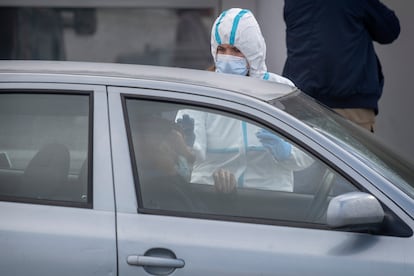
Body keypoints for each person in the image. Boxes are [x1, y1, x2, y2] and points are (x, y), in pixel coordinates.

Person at [177, 8, 312, 193]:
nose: (227, 57)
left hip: (270, 199)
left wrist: (286, 152)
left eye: (236, 50)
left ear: (252, 51)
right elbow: (189, 154)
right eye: (222, 49)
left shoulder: (280, 90)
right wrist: (188, 142)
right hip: (212, 197)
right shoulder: (202, 90)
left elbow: (312, 148)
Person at [282, 0, 400, 132]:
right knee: (351, 152)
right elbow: (390, 30)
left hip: (301, 102)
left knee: (304, 151)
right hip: (349, 104)